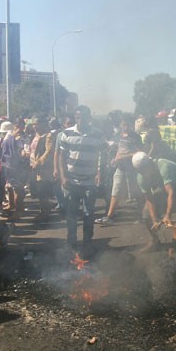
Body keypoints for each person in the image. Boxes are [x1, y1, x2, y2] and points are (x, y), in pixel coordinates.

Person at [58, 106, 106, 258]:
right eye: (78, 117)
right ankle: (71, 242)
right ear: (75, 118)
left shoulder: (98, 134)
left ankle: (87, 242)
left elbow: (102, 155)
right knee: (71, 214)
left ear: (89, 118)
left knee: (88, 213)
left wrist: (100, 172)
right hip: (71, 181)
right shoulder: (67, 133)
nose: (80, 120)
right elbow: (61, 156)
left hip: (89, 181)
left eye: (83, 117)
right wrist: (63, 177)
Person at [131, 151, 176, 251]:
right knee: (146, 214)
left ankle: (175, 243)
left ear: (150, 164)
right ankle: (154, 241)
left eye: (144, 170)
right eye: (140, 171)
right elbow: (149, 199)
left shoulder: (164, 166)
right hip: (165, 187)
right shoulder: (140, 177)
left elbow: (171, 192)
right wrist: (154, 219)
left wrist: (167, 215)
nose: (143, 173)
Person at [95, 114, 142, 225]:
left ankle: (141, 215)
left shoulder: (135, 137)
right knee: (115, 190)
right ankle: (109, 216)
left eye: (127, 124)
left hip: (132, 169)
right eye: (123, 124)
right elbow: (119, 149)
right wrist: (115, 158)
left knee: (136, 193)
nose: (125, 127)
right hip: (120, 167)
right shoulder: (118, 136)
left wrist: (124, 156)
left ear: (131, 125)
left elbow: (140, 152)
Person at [29, 116, 56, 222]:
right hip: (34, 167)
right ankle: (44, 210)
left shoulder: (48, 136)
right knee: (38, 190)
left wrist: (39, 162)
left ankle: (45, 213)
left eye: (37, 124)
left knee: (42, 191)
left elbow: (49, 151)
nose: (35, 126)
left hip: (43, 169)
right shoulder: (35, 135)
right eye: (34, 124)